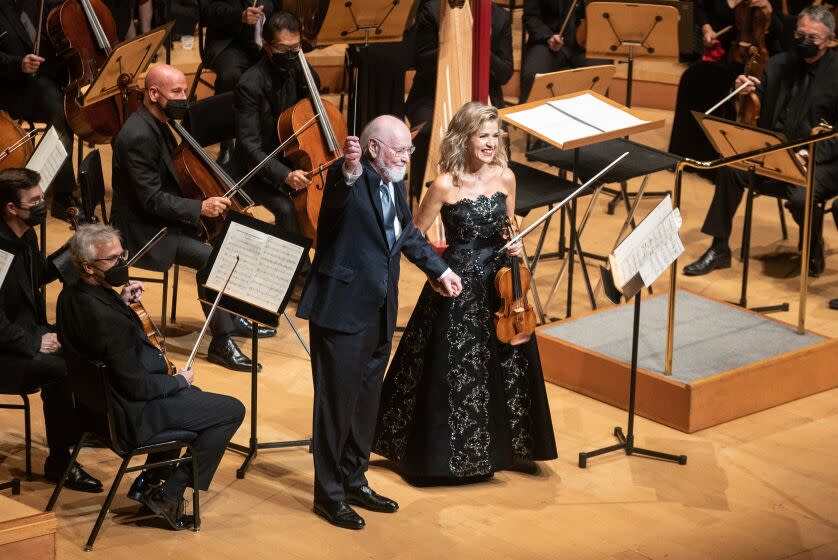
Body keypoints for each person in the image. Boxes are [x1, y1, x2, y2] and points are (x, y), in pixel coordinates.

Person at [373, 102, 558, 484]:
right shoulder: (444, 185)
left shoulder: (506, 177)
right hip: (457, 287)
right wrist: (435, 273)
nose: (490, 143)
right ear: (465, 138)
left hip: (500, 287)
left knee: (508, 364)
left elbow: (510, 226)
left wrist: (517, 245)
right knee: (451, 371)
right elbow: (413, 236)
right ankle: (441, 457)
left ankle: (515, 449)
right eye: (482, 136)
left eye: (495, 136)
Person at [296, 115, 463, 530]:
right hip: (342, 310)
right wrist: (347, 172)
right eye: (401, 149)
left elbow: (404, 233)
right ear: (373, 150)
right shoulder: (348, 177)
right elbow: (333, 208)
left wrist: (438, 270)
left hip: (380, 308)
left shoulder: (393, 180)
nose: (408, 156)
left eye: (408, 148)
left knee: (367, 401)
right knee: (336, 404)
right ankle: (328, 495)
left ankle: (354, 479)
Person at [56, 224, 246, 530]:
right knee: (229, 410)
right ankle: (168, 493)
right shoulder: (107, 320)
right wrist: (178, 381)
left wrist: (123, 300)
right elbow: (136, 385)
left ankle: (149, 480)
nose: (122, 264)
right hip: (130, 416)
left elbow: (102, 339)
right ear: (88, 267)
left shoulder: (70, 297)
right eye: (112, 260)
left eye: (122, 254)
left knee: (196, 402)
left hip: (95, 411)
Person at [111, 64, 274, 373]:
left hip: (162, 220)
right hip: (144, 232)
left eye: (185, 90)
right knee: (210, 257)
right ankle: (220, 341)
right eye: (177, 92)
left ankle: (229, 316)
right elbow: (150, 200)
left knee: (226, 241)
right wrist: (198, 209)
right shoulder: (136, 136)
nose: (184, 97)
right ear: (153, 94)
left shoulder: (161, 121)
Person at [683, 5, 838, 278]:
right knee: (731, 168)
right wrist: (740, 86)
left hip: (818, 158)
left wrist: (807, 154)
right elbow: (754, 95)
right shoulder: (779, 63)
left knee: (802, 198)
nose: (804, 41)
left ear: (830, 41)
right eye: (800, 34)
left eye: (813, 38)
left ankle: (812, 247)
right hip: (775, 150)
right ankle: (719, 248)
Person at [0, 169, 102, 493]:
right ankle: (60, 462)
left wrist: (75, 248)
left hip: (28, 331)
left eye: (42, 197)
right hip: (6, 351)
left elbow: (34, 279)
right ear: (11, 208)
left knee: (86, 342)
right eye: (35, 201)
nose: (42, 205)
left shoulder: (25, 234)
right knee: (60, 371)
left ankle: (90, 426)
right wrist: (34, 341)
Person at [406, 0, 513, 202]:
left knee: (497, 135)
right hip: (431, 94)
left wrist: (479, 44)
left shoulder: (499, 17)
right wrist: (453, 42)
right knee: (428, 132)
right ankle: (423, 200)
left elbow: (505, 73)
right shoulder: (433, 10)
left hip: (484, 98)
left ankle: (492, 204)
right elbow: (419, 60)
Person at [231, 10, 317, 239]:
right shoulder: (249, 84)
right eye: (282, 49)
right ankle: (298, 272)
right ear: (266, 46)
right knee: (288, 209)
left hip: (293, 160)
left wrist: (303, 63)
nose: (290, 55)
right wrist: (285, 175)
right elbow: (250, 147)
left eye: (295, 48)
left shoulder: (299, 70)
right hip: (257, 171)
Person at [0, 0, 80, 219]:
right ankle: (63, 198)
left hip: (43, 78)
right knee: (60, 111)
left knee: (67, 104)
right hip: (10, 87)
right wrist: (18, 64)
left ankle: (51, 177)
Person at [203, 0, 280, 164]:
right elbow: (207, 11)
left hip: (265, 42)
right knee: (230, 76)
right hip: (228, 42)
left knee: (283, 66)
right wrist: (240, 16)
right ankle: (226, 143)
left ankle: (271, 141)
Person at [519, 0, 590, 104]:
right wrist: (548, 37)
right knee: (532, 76)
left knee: (602, 70)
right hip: (548, 40)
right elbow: (531, 16)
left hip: (585, 43)